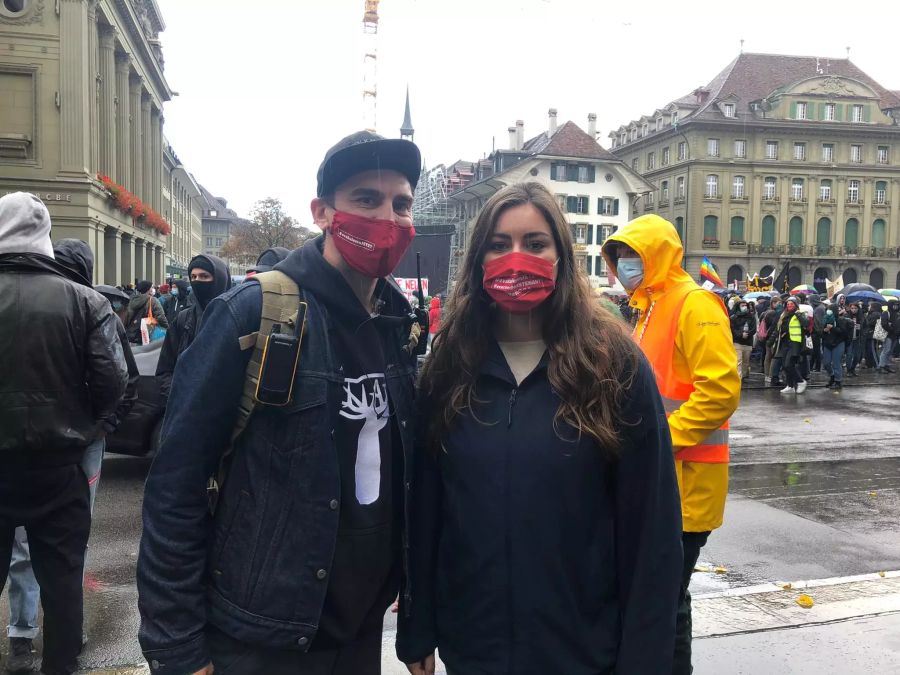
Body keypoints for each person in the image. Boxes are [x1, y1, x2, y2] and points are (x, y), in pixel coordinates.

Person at [137, 130, 423, 675]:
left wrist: (416, 618)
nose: (388, 218)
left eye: (401, 203)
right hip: (260, 640)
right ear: (321, 212)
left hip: (360, 634)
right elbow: (175, 483)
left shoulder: (398, 326)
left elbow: (406, 485)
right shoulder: (253, 312)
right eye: (366, 199)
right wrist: (177, 646)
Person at [397, 184, 682, 675]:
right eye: (499, 244)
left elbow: (651, 533)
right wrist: (417, 624)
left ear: (561, 256)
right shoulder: (450, 365)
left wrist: (645, 661)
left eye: (535, 243)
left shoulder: (614, 364)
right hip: (474, 650)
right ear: (478, 257)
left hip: (585, 652)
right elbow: (427, 509)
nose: (516, 257)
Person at [600, 214, 740, 675]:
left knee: (667, 602)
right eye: (618, 255)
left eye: (632, 255)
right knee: (657, 599)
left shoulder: (694, 304)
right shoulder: (651, 308)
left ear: (657, 254)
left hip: (686, 485)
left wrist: (658, 442)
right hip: (663, 481)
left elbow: (719, 391)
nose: (623, 264)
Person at [0, 193, 127, 675]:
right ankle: (61, 663)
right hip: (58, 466)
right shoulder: (85, 301)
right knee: (63, 578)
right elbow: (113, 382)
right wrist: (85, 425)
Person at [155, 254, 232, 402]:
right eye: (194, 277)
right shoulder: (184, 319)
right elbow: (165, 369)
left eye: (204, 276)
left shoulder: (236, 319)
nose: (198, 281)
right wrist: (178, 397)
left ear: (220, 280)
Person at [774, 297, 807, 394]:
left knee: (789, 364)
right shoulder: (784, 315)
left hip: (795, 343)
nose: (789, 306)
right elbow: (780, 328)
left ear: (796, 305)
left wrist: (799, 315)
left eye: (792, 304)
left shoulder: (799, 313)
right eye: (788, 304)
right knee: (785, 365)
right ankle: (790, 386)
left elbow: (806, 323)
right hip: (785, 343)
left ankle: (801, 381)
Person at [124, 279, 169, 344]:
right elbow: (160, 317)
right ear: (148, 289)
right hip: (148, 334)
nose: (153, 289)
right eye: (152, 287)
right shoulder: (153, 300)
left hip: (133, 334)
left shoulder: (131, 300)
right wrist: (167, 328)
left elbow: (127, 317)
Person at [821, 305, 852, 392]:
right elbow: (821, 333)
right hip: (828, 344)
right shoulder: (825, 319)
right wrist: (824, 331)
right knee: (826, 363)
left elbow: (844, 333)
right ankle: (832, 376)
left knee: (836, 362)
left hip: (838, 343)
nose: (828, 312)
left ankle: (838, 381)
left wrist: (833, 328)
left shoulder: (840, 320)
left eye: (830, 310)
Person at [730, 299, 756, 380]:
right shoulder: (734, 317)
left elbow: (754, 329)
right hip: (737, 342)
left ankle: (744, 376)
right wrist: (741, 334)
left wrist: (748, 334)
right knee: (739, 361)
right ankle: (738, 378)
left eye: (745, 305)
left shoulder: (751, 317)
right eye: (742, 305)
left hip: (748, 343)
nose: (744, 307)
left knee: (746, 362)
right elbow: (732, 329)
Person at [761, 297, 784, 386]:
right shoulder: (775, 313)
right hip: (773, 338)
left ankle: (767, 376)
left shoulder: (766, 312)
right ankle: (770, 375)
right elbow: (774, 326)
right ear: (773, 303)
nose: (780, 304)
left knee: (768, 356)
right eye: (778, 302)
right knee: (773, 356)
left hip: (767, 337)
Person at [876, 298, 900, 374]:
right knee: (886, 350)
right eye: (894, 305)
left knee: (890, 351)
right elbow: (884, 324)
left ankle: (886, 365)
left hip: (895, 336)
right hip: (888, 335)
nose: (895, 307)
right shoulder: (886, 313)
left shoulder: (896, 314)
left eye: (897, 305)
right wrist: (891, 329)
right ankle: (881, 366)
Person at [845, 303, 863, 377]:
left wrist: (860, 327)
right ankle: (849, 370)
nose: (854, 310)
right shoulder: (846, 316)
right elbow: (844, 327)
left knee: (857, 356)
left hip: (857, 338)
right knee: (849, 355)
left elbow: (865, 327)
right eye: (852, 308)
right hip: (849, 339)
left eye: (855, 308)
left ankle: (852, 369)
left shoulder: (861, 316)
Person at [863, 301, 882, 369]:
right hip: (869, 334)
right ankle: (869, 364)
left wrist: (866, 318)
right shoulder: (872, 313)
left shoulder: (875, 314)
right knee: (868, 350)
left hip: (871, 334)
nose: (868, 307)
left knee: (872, 350)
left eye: (870, 306)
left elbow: (870, 323)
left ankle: (877, 365)